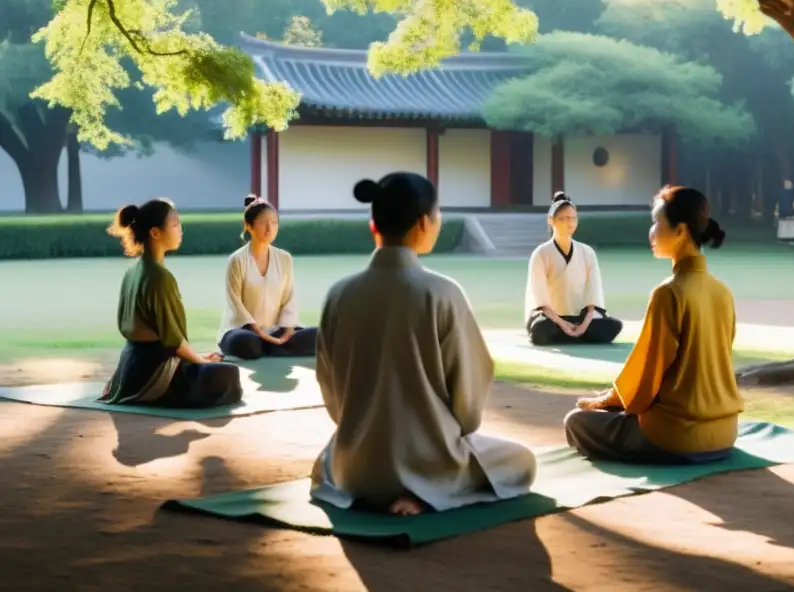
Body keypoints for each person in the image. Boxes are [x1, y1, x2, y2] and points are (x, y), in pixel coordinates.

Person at [311, 172, 536, 517]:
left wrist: (362, 425)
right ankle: (425, 493)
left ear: (375, 226)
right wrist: (448, 431)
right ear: (422, 223)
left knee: (329, 458)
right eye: (437, 214)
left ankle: (378, 489)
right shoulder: (441, 293)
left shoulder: (340, 294)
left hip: (355, 467)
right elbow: (468, 399)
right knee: (521, 462)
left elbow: (331, 392)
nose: (439, 221)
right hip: (429, 461)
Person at [563, 186, 743, 464]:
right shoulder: (723, 292)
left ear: (681, 230)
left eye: (656, 223)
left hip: (677, 436)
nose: (651, 232)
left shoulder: (669, 292)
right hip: (725, 433)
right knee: (611, 412)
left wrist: (606, 402)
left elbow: (648, 374)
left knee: (576, 421)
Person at [99, 199, 242, 408]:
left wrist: (199, 357)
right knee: (228, 373)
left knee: (216, 365)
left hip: (129, 368)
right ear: (155, 232)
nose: (180, 230)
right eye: (175, 225)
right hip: (155, 371)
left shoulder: (132, 272)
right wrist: (201, 361)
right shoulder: (159, 276)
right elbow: (173, 340)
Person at [218, 195, 317, 360]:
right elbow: (235, 302)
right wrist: (258, 332)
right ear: (248, 226)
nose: (269, 228)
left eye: (274, 223)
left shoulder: (284, 258)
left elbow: (289, 298)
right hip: (244, 331)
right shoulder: (237, 260)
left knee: (319, 336)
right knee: (246, 343)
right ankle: (272, 347)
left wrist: (287, 331)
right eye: (263, 223)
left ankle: (273, 346)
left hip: (276, 329)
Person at [524, 192, 623, 346]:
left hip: (581, 317)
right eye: (563, 219)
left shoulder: (587, 252)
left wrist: (583, 326)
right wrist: (564, 324)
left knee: (613, 326)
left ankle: (568, 335)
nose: (569, 223)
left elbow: (593, 294)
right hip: (551, 318)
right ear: (551, 220)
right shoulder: (541, 253)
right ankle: (571, 334)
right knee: (541, 329)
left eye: (573, 218)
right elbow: (540, 300)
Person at [773, 179, 794, 244]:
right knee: (782, 226)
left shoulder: (793, 194)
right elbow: (778, 203)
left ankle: (792, 239)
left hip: (791, 212)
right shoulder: (781, 193)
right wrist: (776, 211)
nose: (787, 185)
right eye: (786, 183)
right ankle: (782, 239)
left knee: (790, 226)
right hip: (782, 211)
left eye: (789, 184)